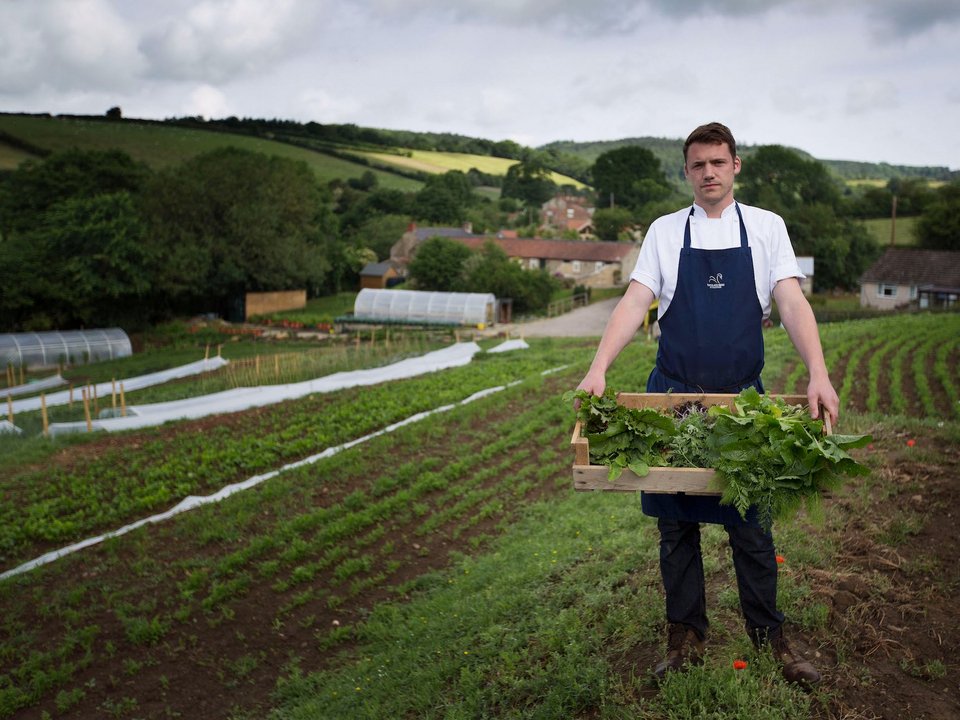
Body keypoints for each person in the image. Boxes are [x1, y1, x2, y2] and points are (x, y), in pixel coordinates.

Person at [576, 122, 838, 686]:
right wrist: (598, 368)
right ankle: (685, 638)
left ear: (735, 165)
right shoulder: (666, 232)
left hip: (743, 406)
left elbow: (790, 301)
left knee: (752, 525)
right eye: (698, 165)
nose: (709, 173)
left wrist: (818, 372)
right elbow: (635, 301)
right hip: (674, 399)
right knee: (676, 530)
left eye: (718, 162)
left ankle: (772, 638)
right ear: (687, 171)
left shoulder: (766, 229)